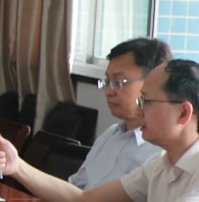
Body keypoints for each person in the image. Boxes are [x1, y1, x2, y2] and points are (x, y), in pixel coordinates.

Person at [0, 59, 199, 202]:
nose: (139, 111)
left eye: (146, 102)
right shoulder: (162, 165)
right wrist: (18, 167)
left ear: (183, 113)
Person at [66, 38, 168, 190]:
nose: (108, 91)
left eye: (119, 82)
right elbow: (76, 186)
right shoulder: (110, 135)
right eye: (107, 81)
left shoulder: (160, 153)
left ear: (152, 82)